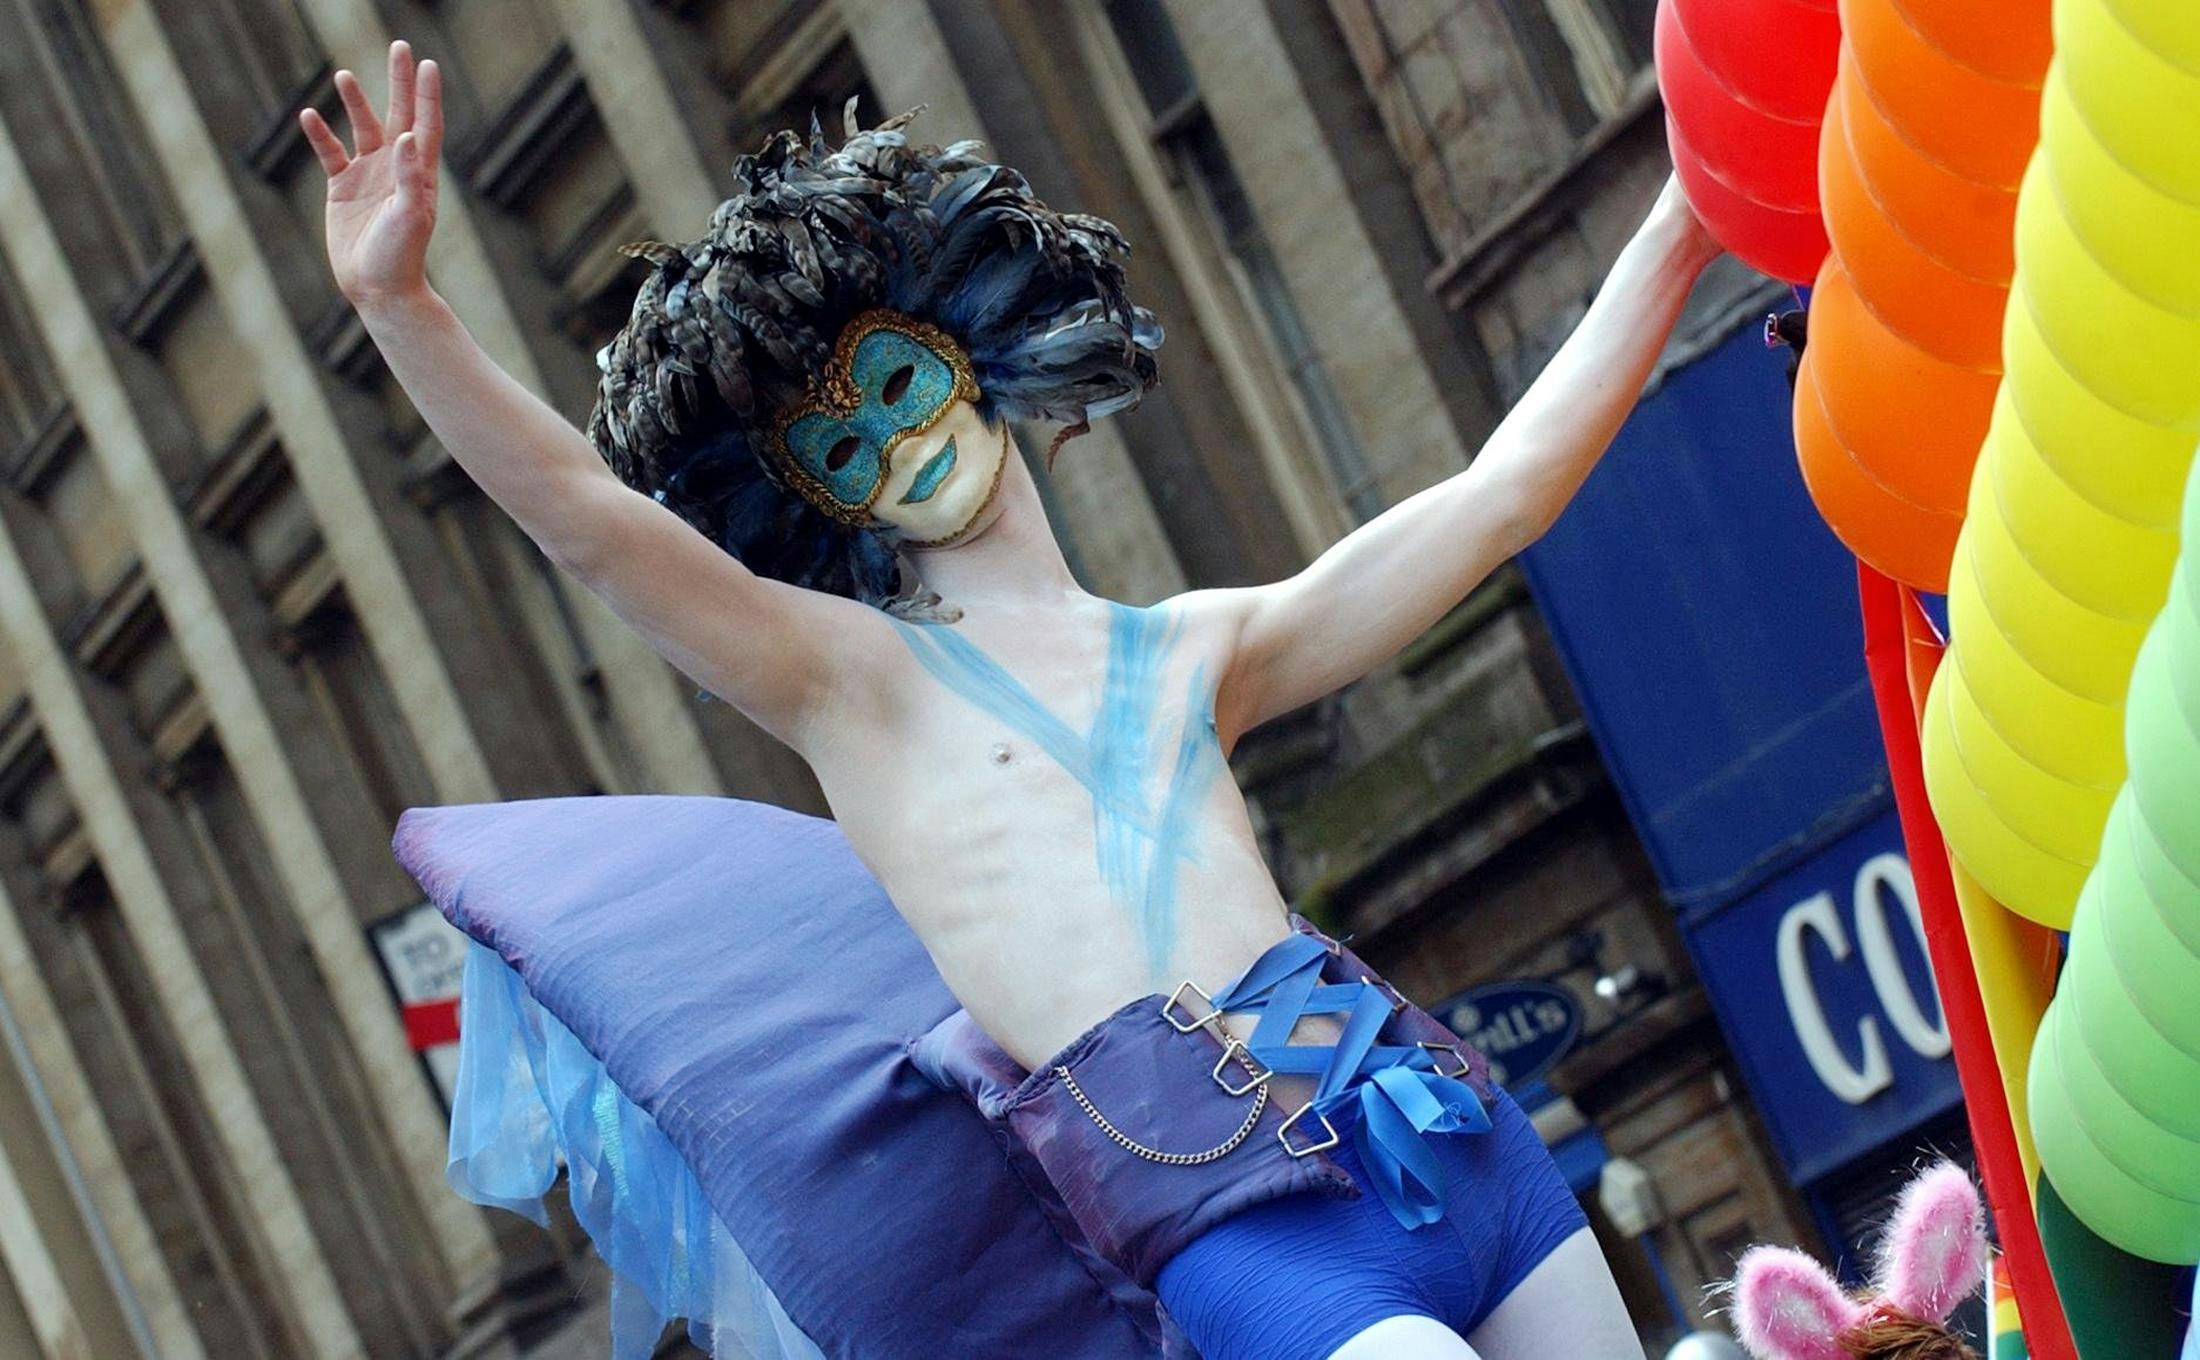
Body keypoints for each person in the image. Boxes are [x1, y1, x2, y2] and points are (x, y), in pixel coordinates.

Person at [302, 39, 1722, 1360]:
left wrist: (1685, 215)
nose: (899, 442)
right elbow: (588, 522)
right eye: (840, 447)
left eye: (898, 382)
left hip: (1454, 1136)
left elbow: (1500, 496)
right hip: (1247, 1230)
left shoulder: (1198, 648)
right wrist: (402, 308)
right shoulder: (851, 686)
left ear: (968, 347)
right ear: (811, 499)